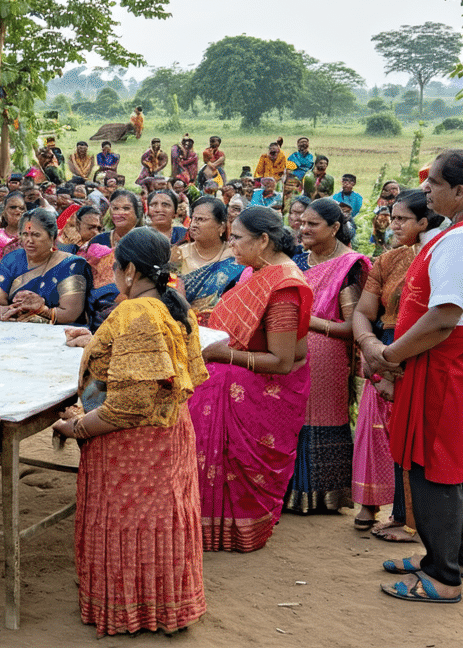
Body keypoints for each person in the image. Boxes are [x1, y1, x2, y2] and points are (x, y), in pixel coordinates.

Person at [363, 151, 463, 604]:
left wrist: (388, 355)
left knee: (436, 464)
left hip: (450, 361)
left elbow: (445, 315)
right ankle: (462, 555)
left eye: (432, 182)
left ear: (460, 191)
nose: (425, 189)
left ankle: (440, 574)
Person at [56, 228, 207, 636]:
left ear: (130, 270)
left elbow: (126, 408)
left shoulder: (135, 313)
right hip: (169, 434)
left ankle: (129, 609)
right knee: (160, 521)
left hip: (132, 448)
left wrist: (77, 428)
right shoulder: (173, 305)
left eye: (115, 269)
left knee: (130, 522)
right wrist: (98, 340)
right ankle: (165, 607)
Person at [189, 207, 313, 552]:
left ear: (263, 240)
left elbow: (282, 360)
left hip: (264, 390)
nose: (232, 246)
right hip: (237, 377)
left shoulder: (284, 286)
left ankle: (232, 530)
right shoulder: (256, 273)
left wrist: (217, 355)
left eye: (238, 238)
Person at [351, 189, 444, 540]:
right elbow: (363, 311)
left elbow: (440, 317)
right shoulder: (389, 260)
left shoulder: (438, 258)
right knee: (374, 432)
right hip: (381, 349)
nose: (393, 224)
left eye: (402, 218)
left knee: (413, 433)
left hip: (417, 351)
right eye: (392, 217)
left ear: (424, 222)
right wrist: (368, 346)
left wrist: (389, 357)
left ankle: (409, 518)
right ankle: (369, 505)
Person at [286, 198, 370, 514]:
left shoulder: (349, 266)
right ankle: (289, 492)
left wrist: (307, 321)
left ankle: (325, 495)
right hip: (291, 354)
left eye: (312, 224)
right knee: (291, 419)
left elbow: (353, 326)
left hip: (328, 359)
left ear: (335, 228)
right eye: (302, 222)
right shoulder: (296, 261)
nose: (303, 228)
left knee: (321, 420)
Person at [0, 208, 89, 326]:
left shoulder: (70, 265)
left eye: (36, 235)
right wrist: (14, 312)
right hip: (14, 327)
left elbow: (71, 314)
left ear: (52, 237)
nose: (29, 240)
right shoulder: (11, 260)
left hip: (58, 333)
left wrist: (42, 311)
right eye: (25, 234)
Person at [172, 197, 245, 326]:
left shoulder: (236, 257)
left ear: (221, 226)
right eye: (193, 219)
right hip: (182, 327)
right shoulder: (178, 254)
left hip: (224, 329)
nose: (193, 224)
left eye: (201, 220)